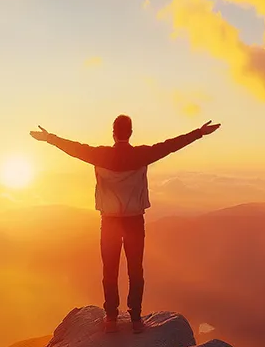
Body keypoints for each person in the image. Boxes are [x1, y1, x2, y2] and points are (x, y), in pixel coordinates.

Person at [31, 115, 220, 334]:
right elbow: (171, 146)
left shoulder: (100, 155)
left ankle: (111, 318)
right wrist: (199, 132)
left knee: (109, 270)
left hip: (109, 221)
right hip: (134, 221)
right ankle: (136, 319)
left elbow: (73, 148)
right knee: (135, 270)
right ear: (130, 133)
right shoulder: (141, 154)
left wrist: (49, 138)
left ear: (113, 132)